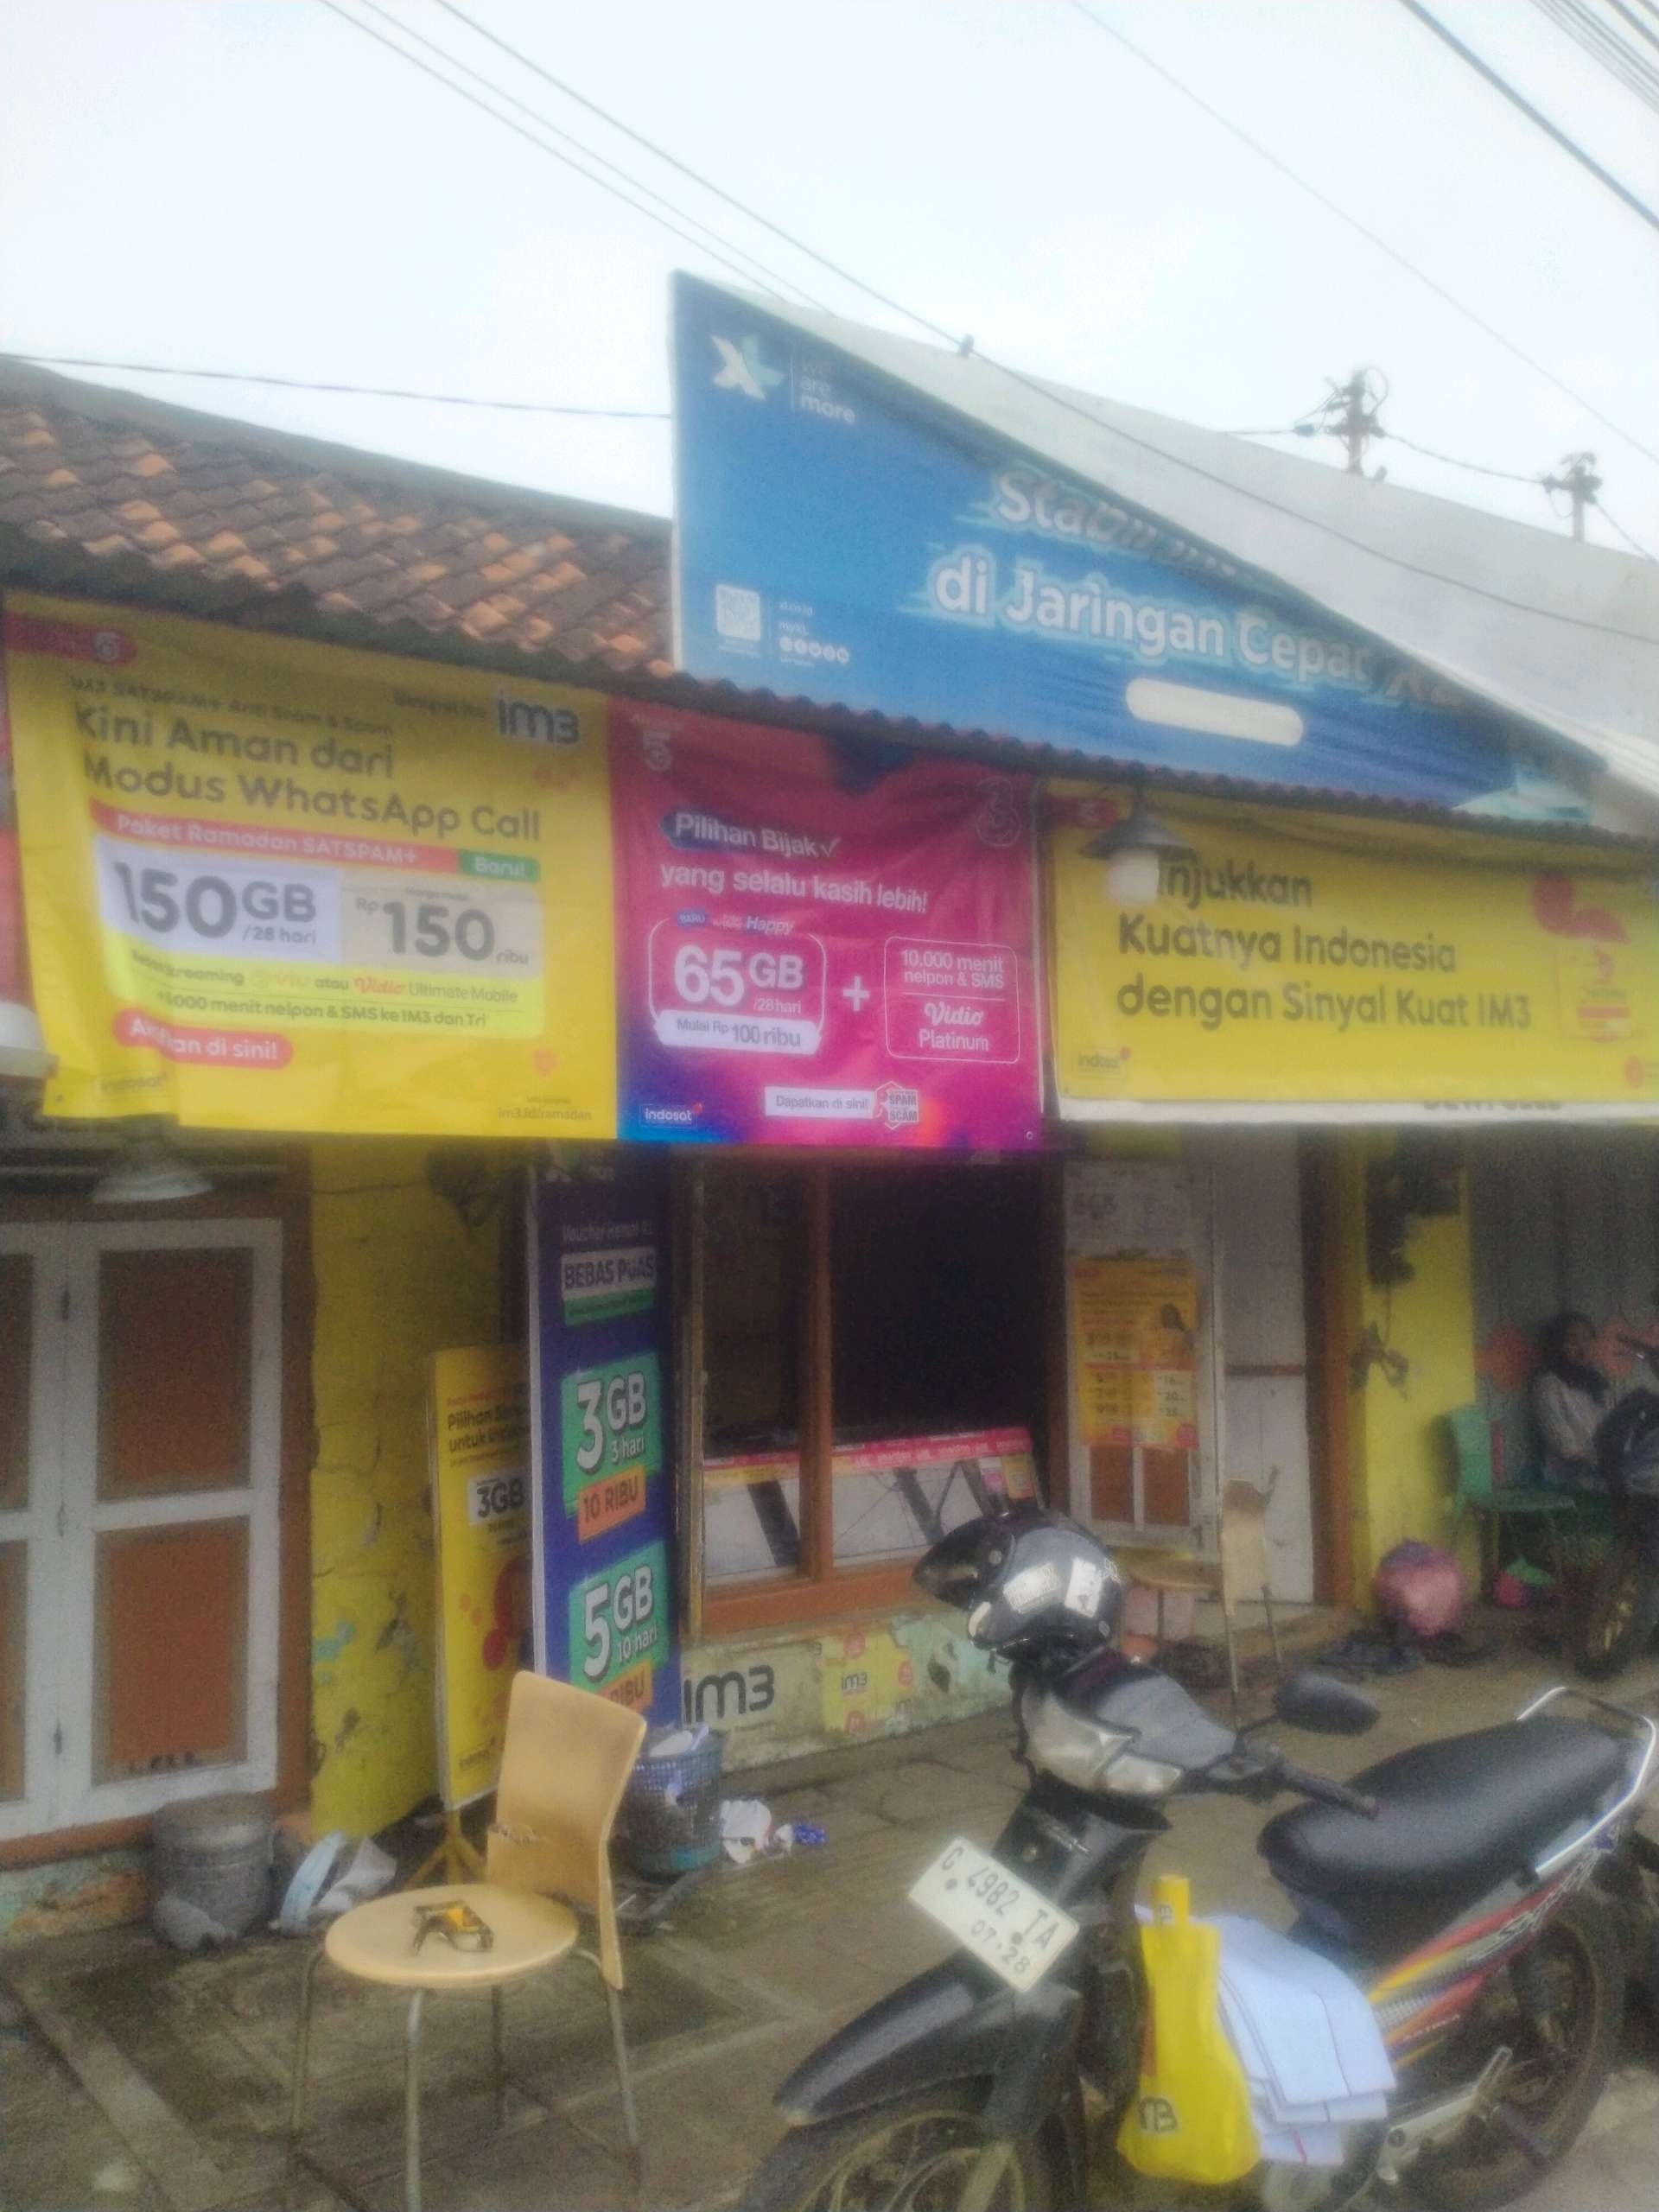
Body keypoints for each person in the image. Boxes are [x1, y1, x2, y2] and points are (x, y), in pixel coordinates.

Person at [1533, 1311, 1613, 1489]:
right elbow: (1567, 1449)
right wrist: (1606, 1470)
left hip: (1606, 1475)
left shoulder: (1599, 1384)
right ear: (1558, 1345)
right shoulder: (1549, 1386)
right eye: (1573, 1341)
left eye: (1587, 1339)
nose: (1582, 1347)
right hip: (1572, 1481)